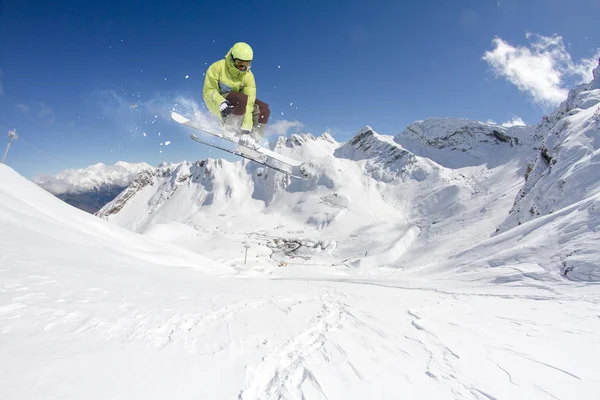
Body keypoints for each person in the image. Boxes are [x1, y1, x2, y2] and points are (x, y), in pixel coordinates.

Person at [203, 42, 270, 148]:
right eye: (240, 63)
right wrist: (220, 102)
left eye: (246, 64)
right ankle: (231, 129)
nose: (243, 67)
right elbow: (208, 90)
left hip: (238, 104)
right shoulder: (217, 67)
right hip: (216, 102)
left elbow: (249, 103)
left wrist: (246, 130)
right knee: (240, 99)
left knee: (263, 109)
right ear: (232, 59)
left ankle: (252, 140)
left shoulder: (248, 76)